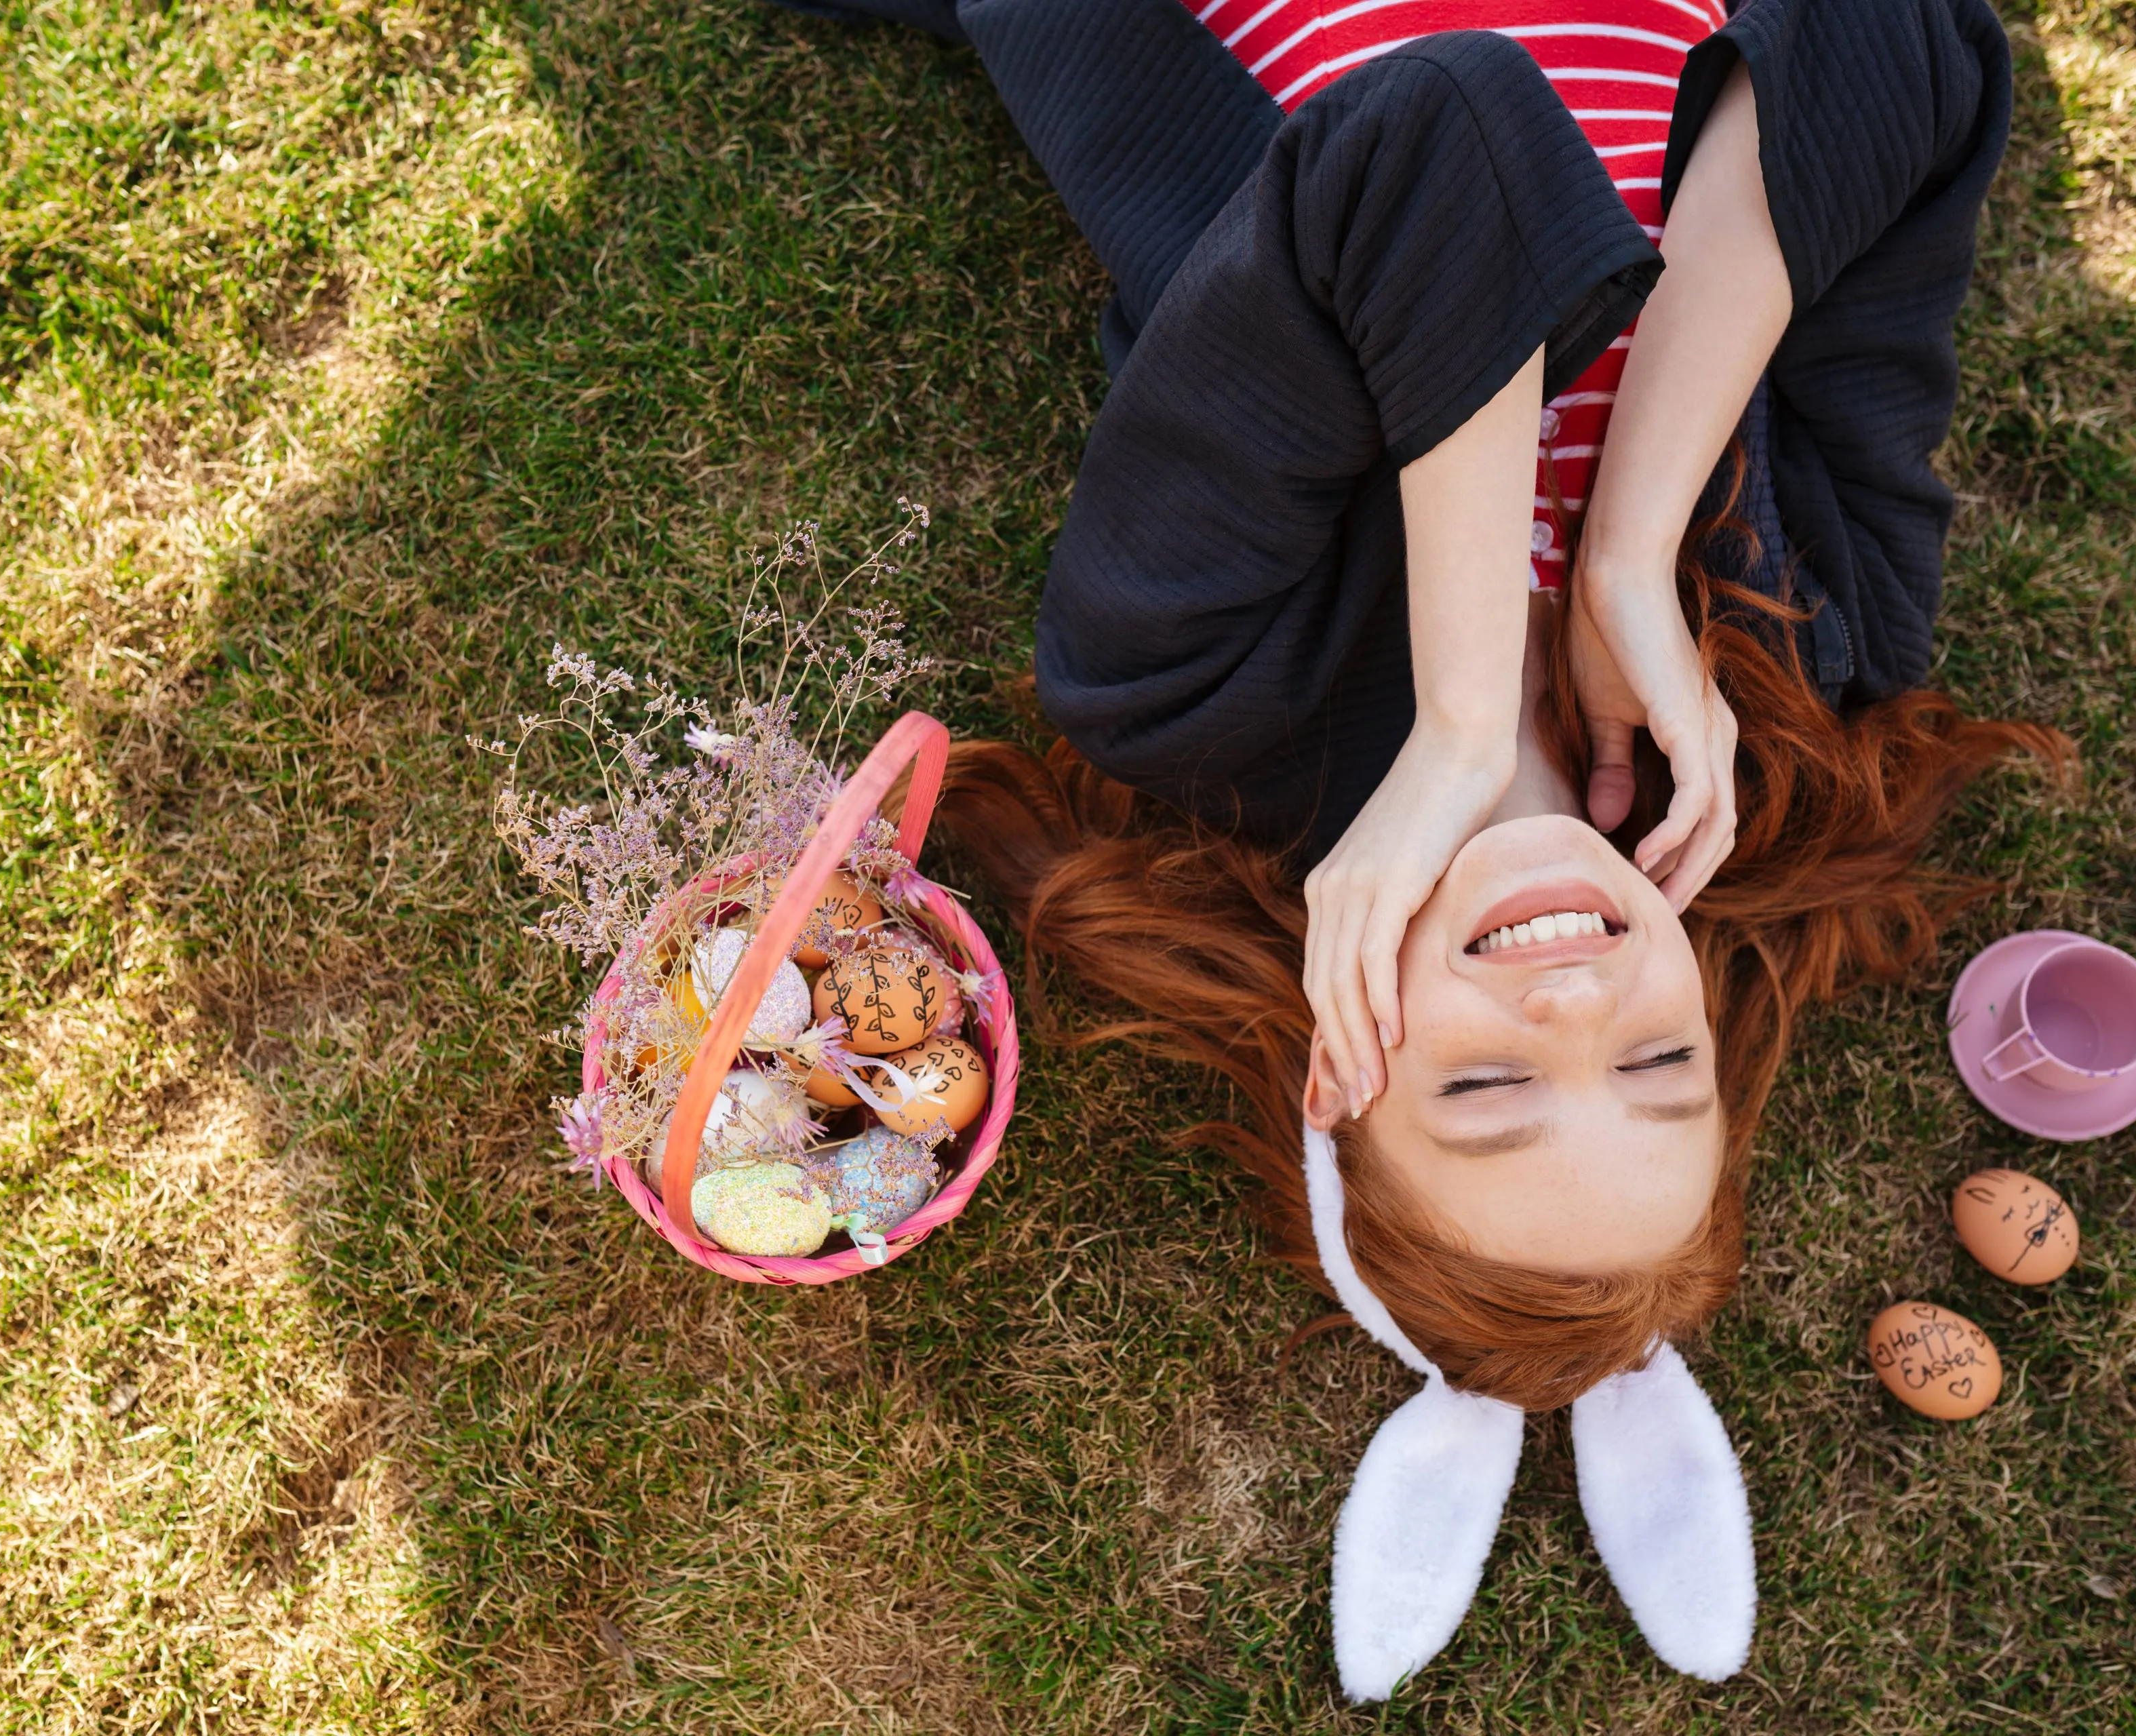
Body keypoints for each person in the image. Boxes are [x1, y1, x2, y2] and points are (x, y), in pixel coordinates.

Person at [763, 0, 2065, 1413]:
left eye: (1489, 1089)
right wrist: (1629, 558)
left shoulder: (1185, 693)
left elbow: (1444, 129)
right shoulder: (1812, 648)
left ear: (1342, 1078)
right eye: (1657, 1059)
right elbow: (1897, 37)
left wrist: (1463, 727)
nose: (1577, 1001)